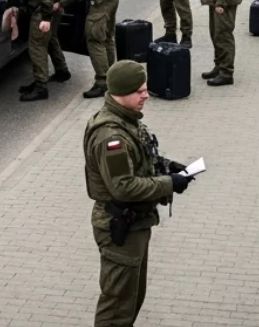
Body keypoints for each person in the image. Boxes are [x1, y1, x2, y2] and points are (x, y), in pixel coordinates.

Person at [82, 60, 195, 326]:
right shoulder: (111, 136)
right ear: (122, 91)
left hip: (134, 223)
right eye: (140, 91)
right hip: (121, 226)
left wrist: (168, 167)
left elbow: (141, 159)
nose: (146, 95)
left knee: (132, 297)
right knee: (118, 306)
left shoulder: (127, 121)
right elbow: (122, 186)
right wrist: (169, 183)